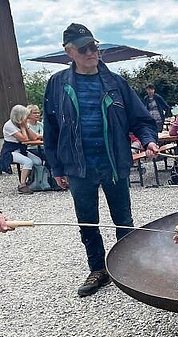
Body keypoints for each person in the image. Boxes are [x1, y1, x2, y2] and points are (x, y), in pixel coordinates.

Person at [43, 23, 160, 297]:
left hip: (114, 163)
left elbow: (141, 119)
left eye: (93, 46)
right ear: (69, 52)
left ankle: (129, 264)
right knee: (87, 221)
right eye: (84, 48)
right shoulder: (57, 85)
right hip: (78, 166)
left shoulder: (115, 83)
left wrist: (148, 139)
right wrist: (57, 167)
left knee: (123, 218)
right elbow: (51, 130)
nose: (91, 52)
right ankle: (98, 269)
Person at [1, 104, 43, 194]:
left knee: (38, 161)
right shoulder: (9, 125)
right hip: (10, 151)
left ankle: (32, 180)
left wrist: (26, 126)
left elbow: (34, 137)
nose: (27, 118)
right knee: (28, 162)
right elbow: (24, 139)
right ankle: (22, 185)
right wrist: (23, 127)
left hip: (21, 150)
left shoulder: (22, 123)